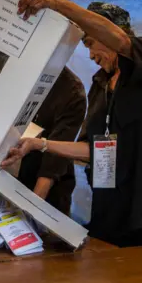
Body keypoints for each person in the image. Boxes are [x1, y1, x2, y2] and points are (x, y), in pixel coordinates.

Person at [3, 0, 142, 254]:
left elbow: (119, 40)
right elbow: (92, 149)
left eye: (90, 42)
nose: (89, 54)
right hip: (113, 215)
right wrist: (38, 145)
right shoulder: (99, 86)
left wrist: (56, 3)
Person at [17, 67, 86, 216]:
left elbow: (55, 157)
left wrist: (34, 204)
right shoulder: (14, 69)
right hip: (7, 172)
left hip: (44, 185)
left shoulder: (72, 91)